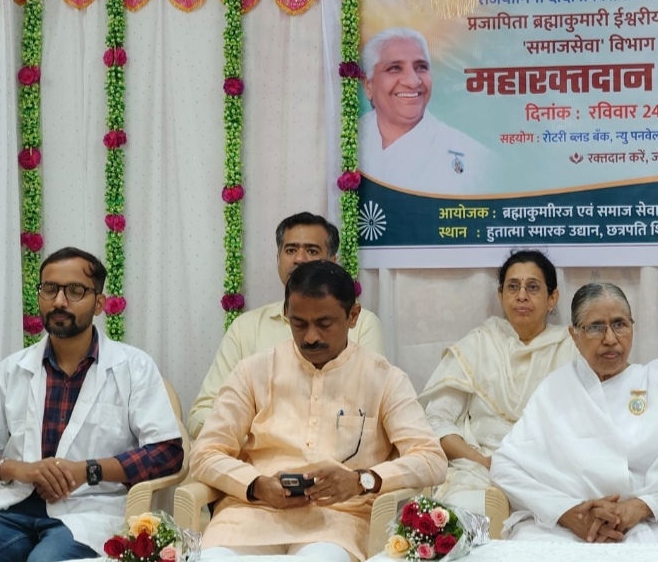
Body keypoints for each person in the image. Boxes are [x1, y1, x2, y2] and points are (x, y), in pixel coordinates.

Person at [190, 259, 447, 562]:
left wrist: (362, 480)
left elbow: (431, 459)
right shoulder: (254, 371)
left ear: (353, 316)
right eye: (299, 324)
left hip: (337, 521)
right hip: (250, 516)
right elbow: (205, 453)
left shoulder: (384, 379)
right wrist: (256, 485)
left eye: (324, 324)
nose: (310, 337)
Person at [0, 247, 184, 562]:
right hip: (14, 506)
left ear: (99, 303)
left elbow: (167, 452)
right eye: (50, 288)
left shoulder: (134, 367)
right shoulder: (12, 370)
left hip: (92, 508)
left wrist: (88, 470)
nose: (59, 301)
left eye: (75, 291)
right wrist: (20, 469)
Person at [491, 282, 658, 545]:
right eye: (596, 327)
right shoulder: (556, 389)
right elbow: (505, 468)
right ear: (575, 335)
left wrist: (641, 506)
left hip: (643, 527)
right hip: (558, 529)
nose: (610, 338)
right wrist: (566, 512)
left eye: (620, 324)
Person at [187, 212, 384, 437]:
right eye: (290, 250)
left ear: (332, 262)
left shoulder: (361, 323)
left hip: (335, 455)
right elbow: (201, 414)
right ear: (278, 259)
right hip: (257, 457)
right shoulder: (246, 328)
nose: (299, 259)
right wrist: (259, 438)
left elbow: (370, 409)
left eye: (312, 250)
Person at [419, 249, 575, 513]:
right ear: (500, 295)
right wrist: (483, 461)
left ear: (552, 298)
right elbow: (436, 420)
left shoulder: (572, 348)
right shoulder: (479, 345)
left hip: (552, 473)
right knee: (465, 512)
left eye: (532, 287)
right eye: (513, 286)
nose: (521, 295)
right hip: (482, 473)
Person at [359, 27, 494, 194]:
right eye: (394, 68)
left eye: (421, 67)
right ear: (368, 85)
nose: (413, 81)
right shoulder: (344, 142)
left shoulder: (476, 159)